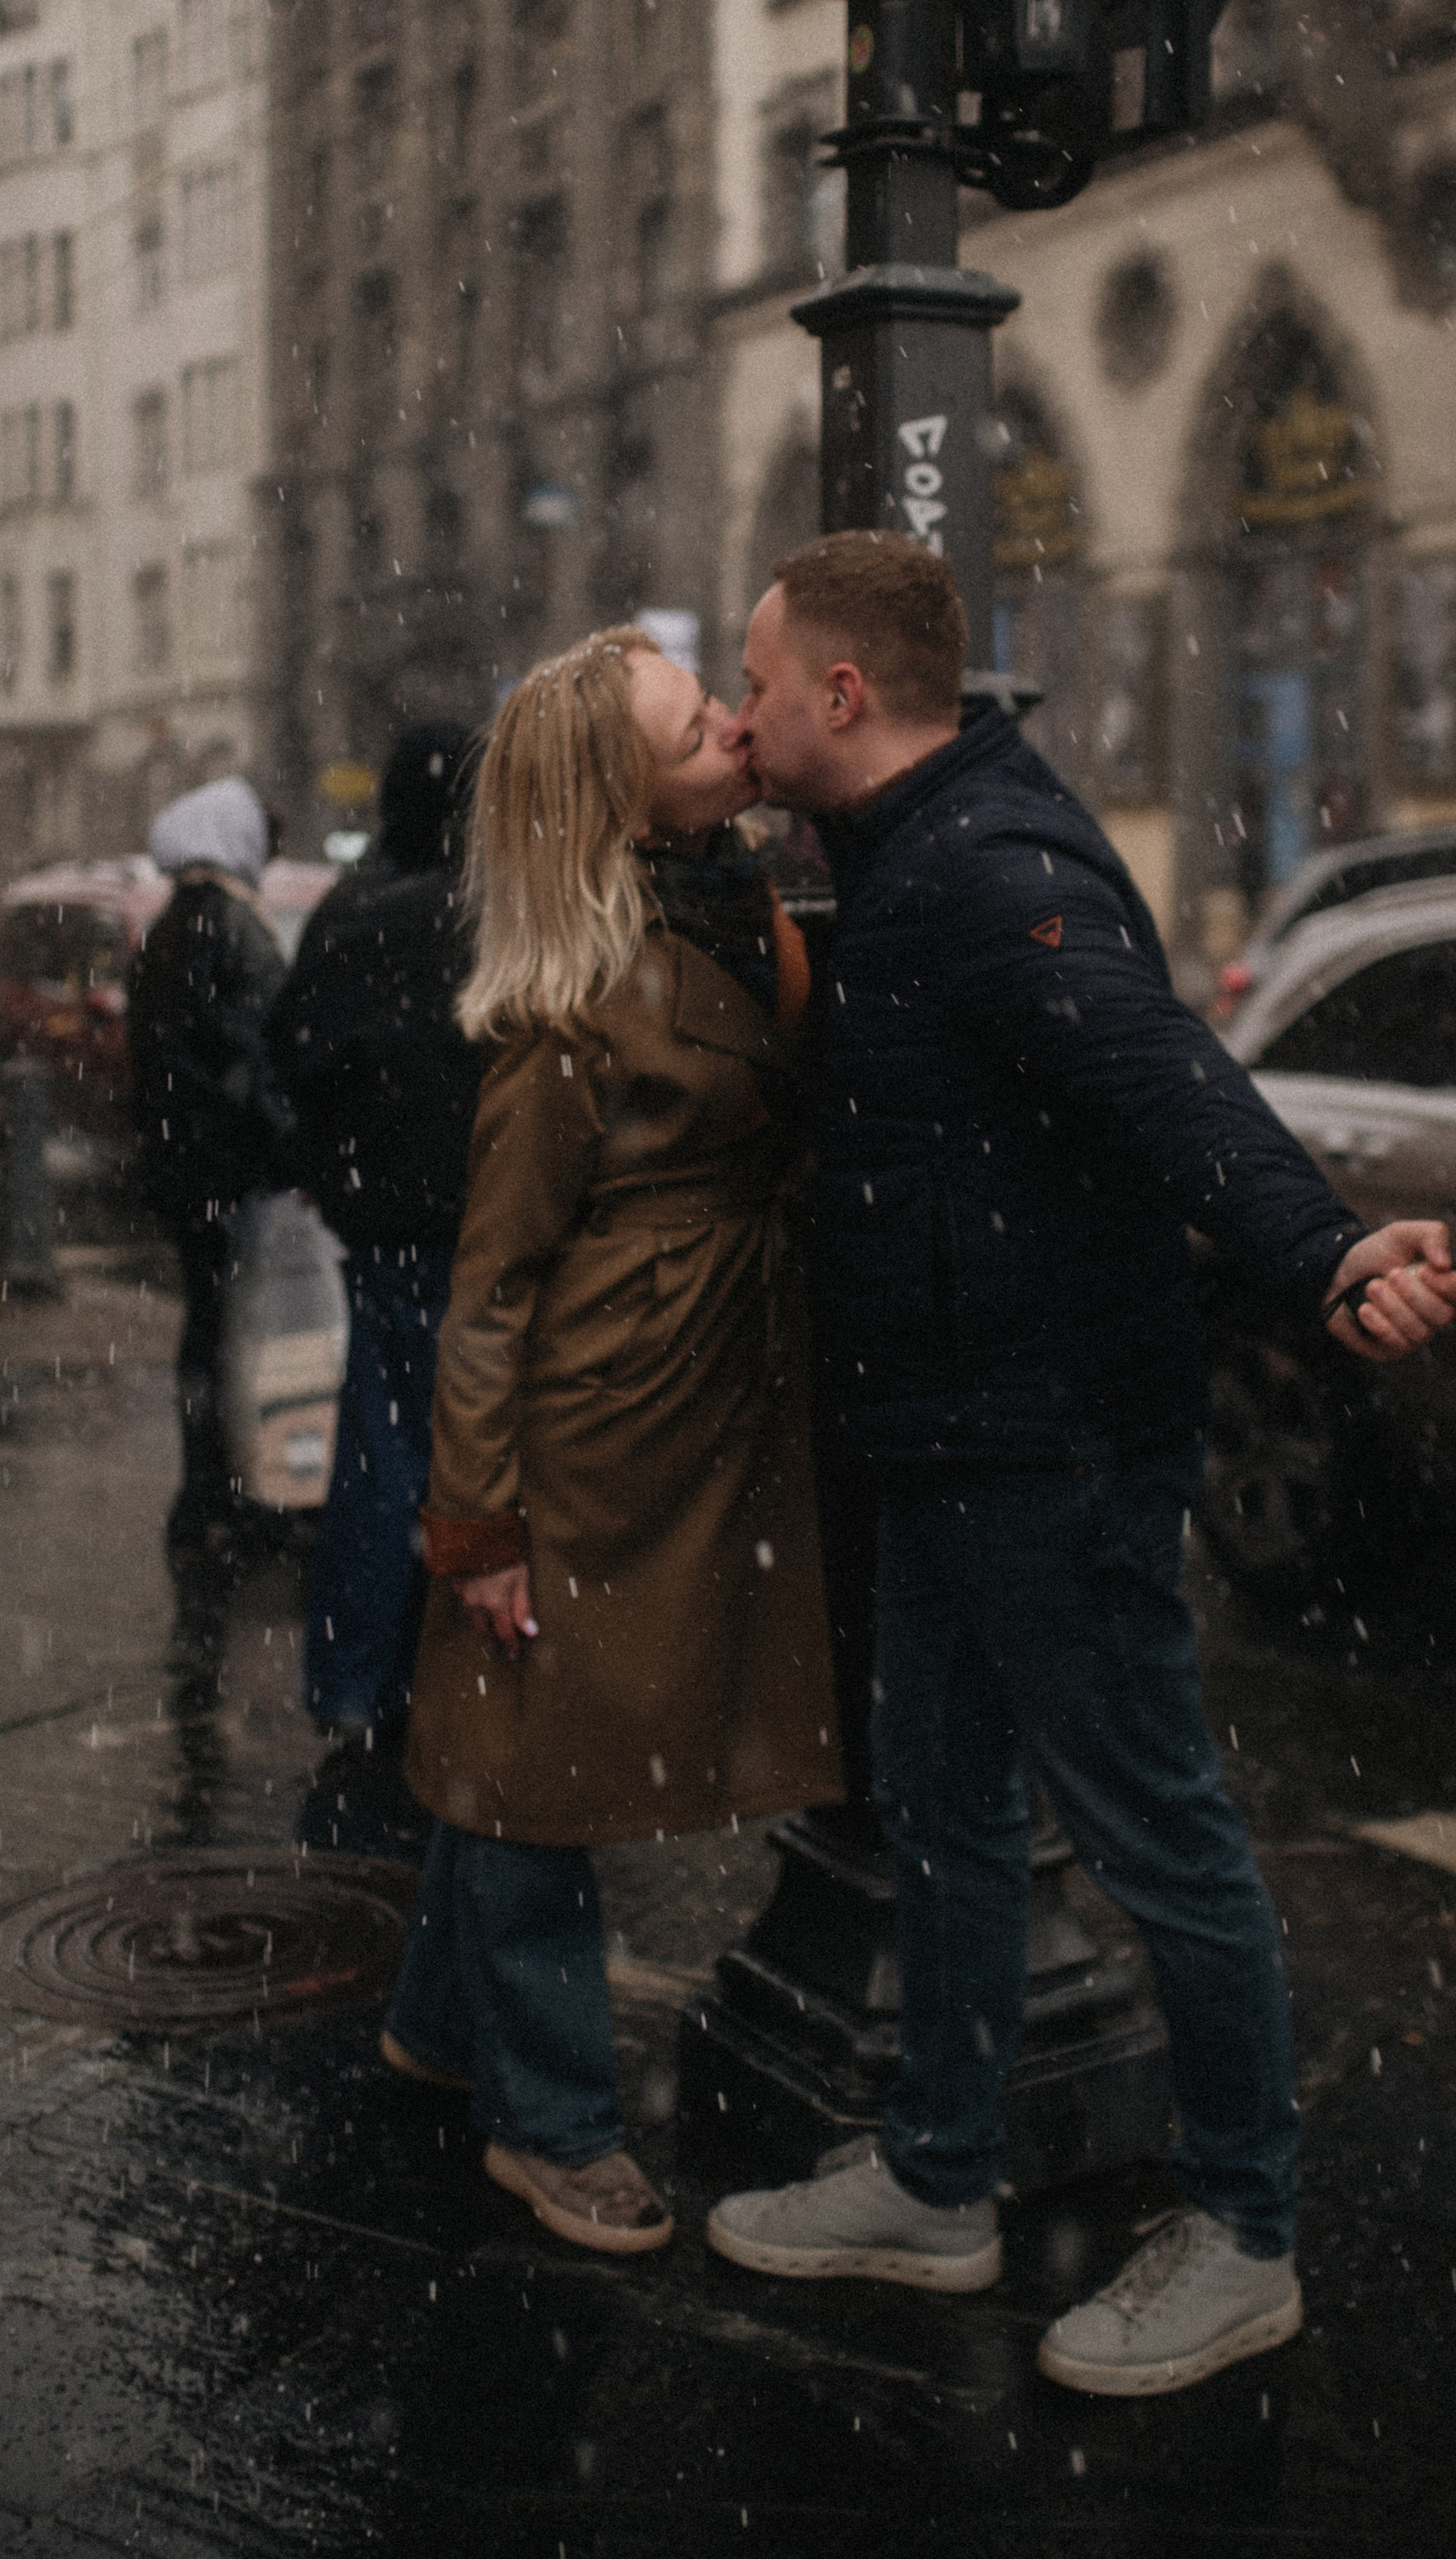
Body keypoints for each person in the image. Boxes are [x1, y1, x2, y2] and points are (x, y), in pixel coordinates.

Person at [704, 533, 1456, 2398]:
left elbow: (1161, 1080)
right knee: (946, 1816)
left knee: (1158, 1835)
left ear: (838, 692)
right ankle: (936, 2178)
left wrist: (1322, 1252)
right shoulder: (908, 852)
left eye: (754, 681)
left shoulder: (987, 867)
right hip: (950, 1435)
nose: (736, 713)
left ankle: (1244, 2233)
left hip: (1048, 1444)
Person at [388, 626, 839, 2256]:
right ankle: (554, 2126)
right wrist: (479, 1526)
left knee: (517, 1743)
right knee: (537, 1773)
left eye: (715, 704)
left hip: (699, 1388)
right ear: (623, 805)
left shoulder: (731, 895)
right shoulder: (568, 1007)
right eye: (697, 729)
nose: (734, 730)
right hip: (595, 1429)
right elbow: (490, 1293)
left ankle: (437, 2026)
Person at [269, 723, 480, 1796]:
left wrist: (331, 1170)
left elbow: (294, 1055)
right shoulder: (482, 915)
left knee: (378, 1455)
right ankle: (434, 1682)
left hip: (383, 1227)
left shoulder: (351, 911)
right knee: (465, 1463)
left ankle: (358, 1683)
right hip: (475, 1228)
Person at [127, 776, 297, 1556]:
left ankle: (205, 1490)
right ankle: (231, 1492)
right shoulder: (230, 925)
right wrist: (287, 1144)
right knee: (232, 1331)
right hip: (228, 1169)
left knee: (206, 1327)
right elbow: (260, 1051)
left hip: (184, 1166)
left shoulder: (169, 927)